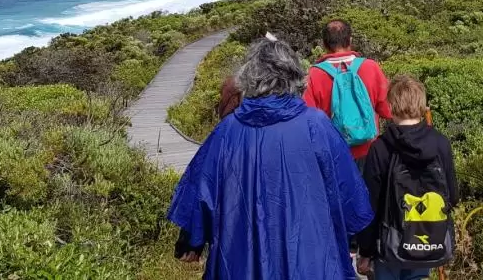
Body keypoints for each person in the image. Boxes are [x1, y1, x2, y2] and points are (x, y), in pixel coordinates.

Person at [168, 37, 374, 280]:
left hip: (240, 262)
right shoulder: (317, 126)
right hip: (313, 261)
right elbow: (351, 199)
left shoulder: (226, 132)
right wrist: (366, 249)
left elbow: (200, 190)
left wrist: (192, 242)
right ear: (295, 76)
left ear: (249, 78)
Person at [356, 75, 458, 280]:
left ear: (391, 106)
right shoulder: (440, 143)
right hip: (428, 242)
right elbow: (452, 196)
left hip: (389, 248)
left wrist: (365, 252)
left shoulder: (380, 148)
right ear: (422, 104)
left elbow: (370, 206)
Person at [304, 19, 392, 166]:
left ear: (324, 44)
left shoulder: (314, 74)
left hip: (334, 156)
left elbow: (309, 121)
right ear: (350, 40)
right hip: (369, 152)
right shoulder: (370, 67)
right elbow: (388, 110)